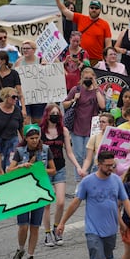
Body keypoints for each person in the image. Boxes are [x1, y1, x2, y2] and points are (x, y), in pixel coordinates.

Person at [56, 151, 130, 259]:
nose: (111, 168)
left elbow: (125, 200)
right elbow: (75, 203)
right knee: (98, 257)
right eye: (107, 165)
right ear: (99, 164)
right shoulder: (87, 182)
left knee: (108, 258)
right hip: (93, 230)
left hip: (110, 229)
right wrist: (62, 222)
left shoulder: (117, 180)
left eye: (112, 165)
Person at [9, 124, 56, 259]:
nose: (35, 140)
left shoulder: (46, 150)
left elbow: (53, 170)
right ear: (26, 138)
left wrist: (39, 169)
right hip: (23, 193)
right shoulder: (19, 151)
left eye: (37, 138)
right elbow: (9, 171)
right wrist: (21, 166)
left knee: (35, 226)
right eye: (32, 138)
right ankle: (21, 248)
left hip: (39, 191)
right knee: (23, 226)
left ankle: (30, 255)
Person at [39, 103, 81, 247]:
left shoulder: (63, 130)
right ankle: (47, 233)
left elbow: (69, 152)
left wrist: (78, 166)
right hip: (44, 170)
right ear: (47, 115)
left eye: (58, 113)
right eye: (53, 113)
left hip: (60, 168)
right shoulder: (40, 131)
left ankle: (57, 228)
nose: (55, 115)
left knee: (61, 202)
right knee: (46, 204)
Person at [63, 67, 105, 183]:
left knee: (89, 156)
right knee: (79, 156)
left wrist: (96, 89)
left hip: (91, 129)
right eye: (85, 78)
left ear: (94, 79)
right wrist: (73, 100)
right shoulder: (76, 90)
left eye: (90, 78)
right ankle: (79, 180)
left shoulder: (98, 91)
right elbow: (64, 105)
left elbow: (102, 105)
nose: (87, 80)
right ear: (81, 78)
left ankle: (88, 177)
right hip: (77, 127)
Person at [55, 0, 112, 66]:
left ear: (100, 10)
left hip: (96, 60)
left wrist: (107, 59)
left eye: (96, 8)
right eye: (92, 8)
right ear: (89, 9)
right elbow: (64, 10)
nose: (94, 10)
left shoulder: (105, 24)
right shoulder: (81, 18)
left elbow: (108, 44)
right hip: (80, 58)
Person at [14, 40, 47, 125]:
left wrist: (45, 67)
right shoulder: (19, 62)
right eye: (23, 48)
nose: (25, 50)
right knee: (25, 122)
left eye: (27, 48)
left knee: (38, 122)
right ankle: (26, 138)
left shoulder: (41, 60)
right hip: (24, 96)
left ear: (34, 50)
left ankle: (36, 138)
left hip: (38, 97)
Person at [0, 87, 23, 171]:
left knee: (10, 166)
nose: (16, 99)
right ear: (6, 97)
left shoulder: (17, 110)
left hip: (13, 141)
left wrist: (24, 142)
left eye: (17, 97)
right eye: (13, 97)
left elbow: (20, 127)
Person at [0, 50, 26, 114]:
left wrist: (23, 109)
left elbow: (19, 92)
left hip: (10, 105)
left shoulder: (14, 73)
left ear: (3, 61)